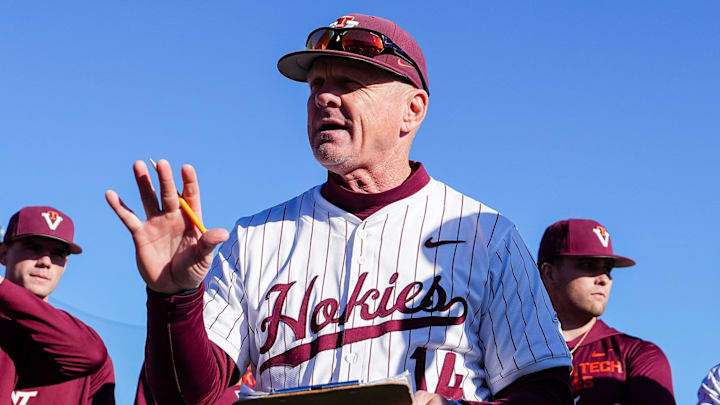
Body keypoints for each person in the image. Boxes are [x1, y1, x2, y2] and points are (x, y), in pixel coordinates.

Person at [107, 14, 572, 404]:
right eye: (316, 85)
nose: (323, 98)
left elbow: (544, 389)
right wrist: (173, 298)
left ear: (412, 110)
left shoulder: (487, 235)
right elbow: (189, 400)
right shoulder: (253, 238)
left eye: (349, 82)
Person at [537, 218, 675, 405]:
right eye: (589, 266)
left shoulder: (637, 354)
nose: (604, 279)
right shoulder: (503, 351)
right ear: (549, 274)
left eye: (608, 269)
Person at [0, 206, 115, 404]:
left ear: (65, 265)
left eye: (57, 254)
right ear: (2, 254)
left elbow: (91, 354)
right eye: (33, 248)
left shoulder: (84, 341)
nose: (45, 262)